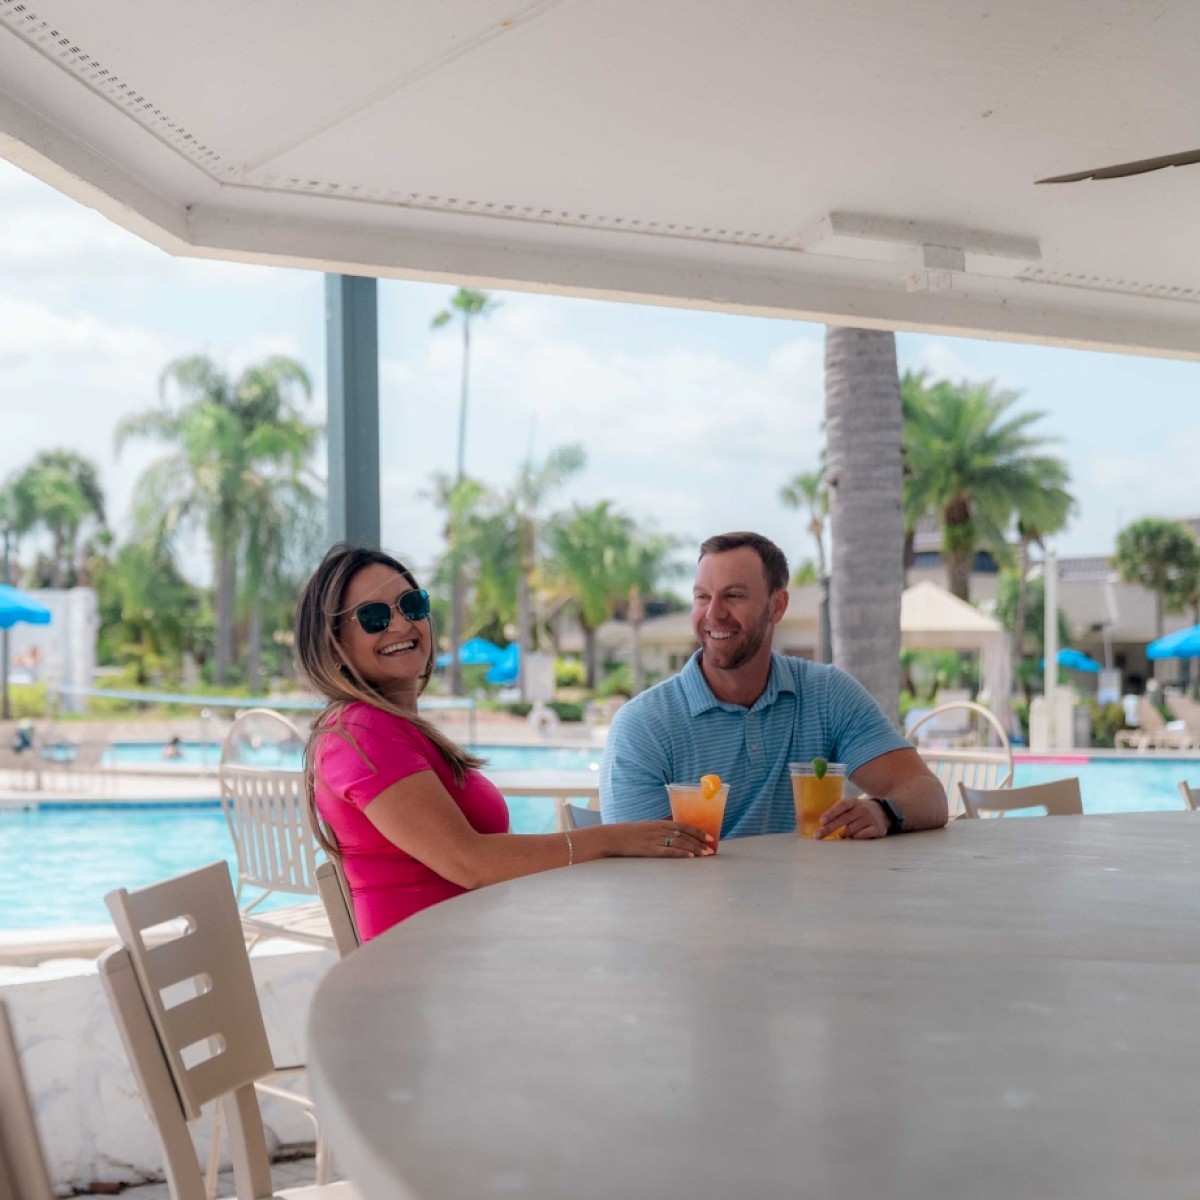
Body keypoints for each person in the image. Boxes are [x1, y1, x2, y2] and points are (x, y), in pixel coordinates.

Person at [295, 543, 714, 941]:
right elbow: (469, 861)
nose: (402, 624)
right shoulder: (362, 732)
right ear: (333, 640)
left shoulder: (388, 728)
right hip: (424, 980)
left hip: (464, 955)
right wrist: (613, 839)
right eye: (373, 617)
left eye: (411, 605)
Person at [601, 532, 948, 840]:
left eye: (733, 595)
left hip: (813, 904)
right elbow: (642, 872)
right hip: (695, 911)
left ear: (777, 605)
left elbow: (928, 795)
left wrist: (883, 812)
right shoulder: (643, 725)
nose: (713, 613)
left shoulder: (827, 694)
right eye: (702, 597)